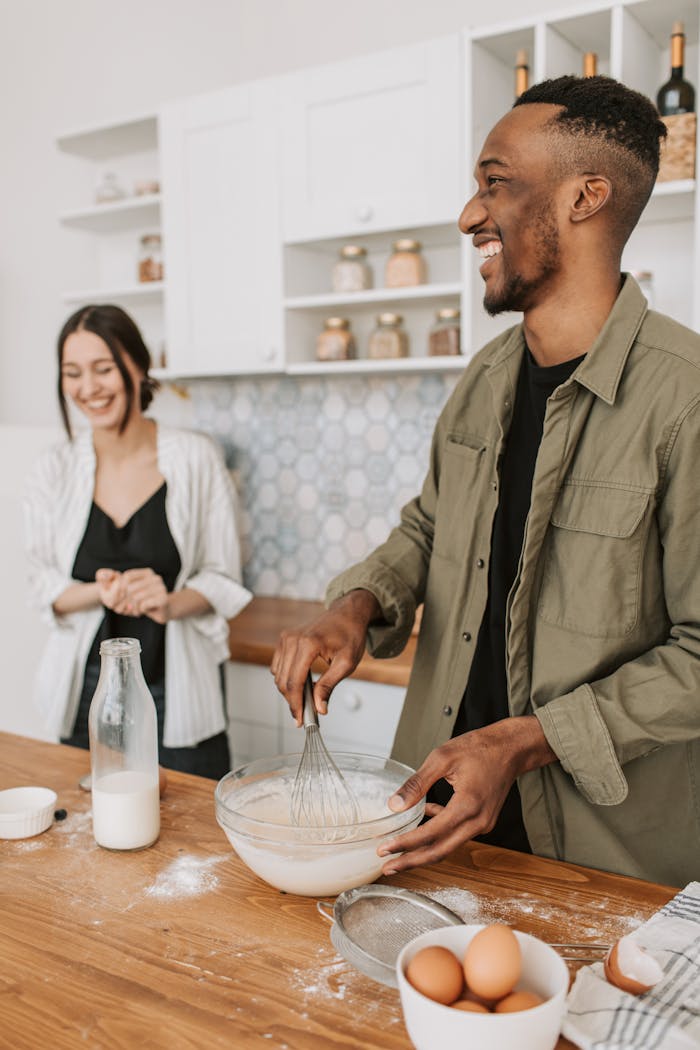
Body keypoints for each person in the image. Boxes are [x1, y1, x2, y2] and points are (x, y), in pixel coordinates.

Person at [272, 75, 700, 888]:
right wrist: (355, 606)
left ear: (586, 197)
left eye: (494, 183)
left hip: (603, 863)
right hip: (436, 828)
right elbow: (430, 528)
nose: (470, 214)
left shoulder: (686, 399)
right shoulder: (485, 377)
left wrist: (524, 739)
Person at [24, 304, 252, 778]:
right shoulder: (55, 468)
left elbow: (223, 575)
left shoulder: (195, 458)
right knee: (86, 835)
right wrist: (99, 592)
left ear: (138, 366)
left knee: (194, 839)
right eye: (73, 373)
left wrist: (168, 602)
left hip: (178, 687)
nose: (88, 388)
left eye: (103, 368)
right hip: (87, 689)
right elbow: (41, 582)